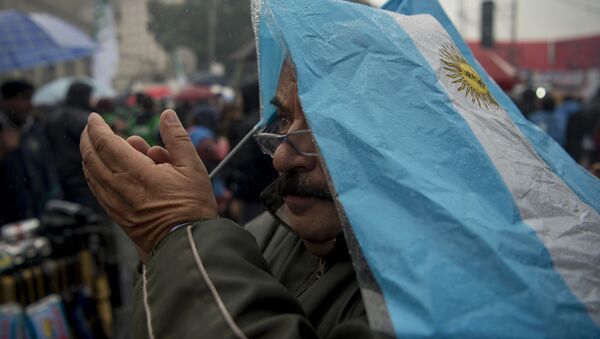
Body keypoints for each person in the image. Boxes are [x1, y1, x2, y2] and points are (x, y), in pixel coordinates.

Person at [80, 59, 385, 338]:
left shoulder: (422, 295)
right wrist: (166, 253)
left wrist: (178, 233)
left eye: (323, 125)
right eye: (283, 118)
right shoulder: (272, 231)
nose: (281, 157)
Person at [0, 80, 60, 224]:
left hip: (39, 215)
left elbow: (47, 169)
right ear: (7, 102)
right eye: (24, 98)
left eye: (30, 98)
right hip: (9, 221)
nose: (29, 105)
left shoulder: (36, 129)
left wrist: (54, 197)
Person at [45, 82, 103, 214]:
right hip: (82, 176)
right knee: (89, 218)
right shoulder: (83, 117)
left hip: (60, 176)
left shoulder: (53, 116)